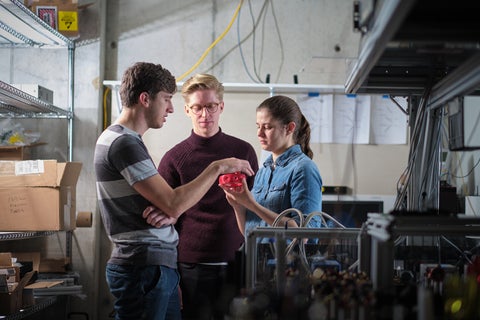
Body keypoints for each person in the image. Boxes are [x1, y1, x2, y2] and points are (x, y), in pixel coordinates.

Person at [94, 63, 254, 320]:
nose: (170, 108)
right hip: (149, 265)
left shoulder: (129, 141)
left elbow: (168, 205)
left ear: (220, 107)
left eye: (211, 106)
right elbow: (172, 203)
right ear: (145, 99)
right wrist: (215, 169)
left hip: (163, 265)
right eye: (167, 99)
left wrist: (172, 211)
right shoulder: (126, 144)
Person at [154, 73, 259, 320]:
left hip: (237, 264)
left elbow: (255, 209)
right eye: (197, 108)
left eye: (210, 106)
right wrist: (171, 277)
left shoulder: (243, 151)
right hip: (190, 269)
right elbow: (163, 224)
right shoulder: (173, 158)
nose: (205, 115)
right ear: (187, 110)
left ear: (221, 106)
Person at [221, 95, 323, 239]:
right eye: (258, 126)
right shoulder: (263, 172)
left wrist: (252, 204)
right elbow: (248, 232)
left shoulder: (304, 169)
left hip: (288, 260)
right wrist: (238, 205)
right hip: (258, 258)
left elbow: (305, 233)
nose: (259, 133)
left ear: (289, 128)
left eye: (267, 127)